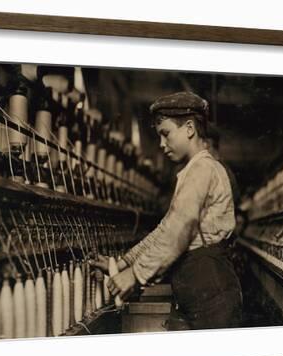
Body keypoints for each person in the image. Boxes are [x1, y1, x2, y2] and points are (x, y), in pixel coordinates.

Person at [90, 91, 242, 330]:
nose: (161, 144)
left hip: (211, 290)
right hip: (202, 288)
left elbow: (178, 233)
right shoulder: (193, 171)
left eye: (166, 134)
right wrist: (122, 263)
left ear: (189, 128)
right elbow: (166, 228)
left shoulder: (202, 170)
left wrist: (135, 275)